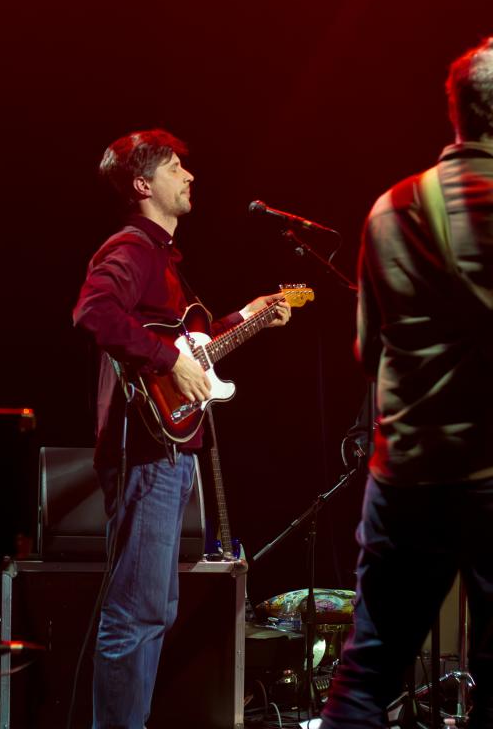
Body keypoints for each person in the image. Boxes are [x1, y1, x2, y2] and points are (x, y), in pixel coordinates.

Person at [73, 128, 292, 729]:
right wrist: (168, 360)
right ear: (143, 185)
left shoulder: (163, 260)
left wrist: (245, 318)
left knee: (154, 609)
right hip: (146, 451)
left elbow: (188, 344)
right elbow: (94, 312)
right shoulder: (132, 248)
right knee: (137, 613)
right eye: (174, 167)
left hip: (167, 449)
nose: (189, 176)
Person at [320, 36, 493, 729]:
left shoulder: (391, 207)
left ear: (457, 111)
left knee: (365, 679)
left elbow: (370, 354)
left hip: (407, 481)